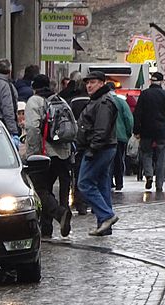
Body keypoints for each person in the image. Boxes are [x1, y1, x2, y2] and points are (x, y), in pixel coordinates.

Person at [24, 74, 72, 238]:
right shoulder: (60, 100)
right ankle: (46, 228)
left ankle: (59, 213)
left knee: (40, 189)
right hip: (63, 153)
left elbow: (32, 128)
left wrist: (33, 153)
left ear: (34, 87)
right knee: (49, 189)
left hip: (44, 153)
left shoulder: (34, 101)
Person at [76, 71, 119, 236]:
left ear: (101, 83)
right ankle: (105, 225)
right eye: (87, 83)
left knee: (85, 184)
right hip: (102, 147)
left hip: (100, 149)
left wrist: (93, 149)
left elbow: (101, 129)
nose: (89, 85)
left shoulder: (103, 102)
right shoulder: (97, 100)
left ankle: (107, 216)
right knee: (102, 185)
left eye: (92, 82)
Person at [133, 71, 165, 192]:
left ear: (151, 81)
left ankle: (148, 174)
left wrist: (136, 130)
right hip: (161, 132)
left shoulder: (144, 94)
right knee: (161, 157)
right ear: (161, 82)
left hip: (146, 130)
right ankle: (159, 184)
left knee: (146, 154)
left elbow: (137, 114)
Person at [60, 71, 91, 215]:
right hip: (91, 141)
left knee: (78, 173)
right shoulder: (92, 100)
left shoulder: (73, 102)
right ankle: (88, 202)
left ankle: (80, 203)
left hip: (77, 141)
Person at [107, 83, 133, 191]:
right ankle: (119, 182)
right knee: (119, 160)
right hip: (121, 136)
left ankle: (108, 182)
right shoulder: (122, 102)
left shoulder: (104, 101)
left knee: (108, 161)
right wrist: (128, 133)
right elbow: (129, 118)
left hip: (107, 136)